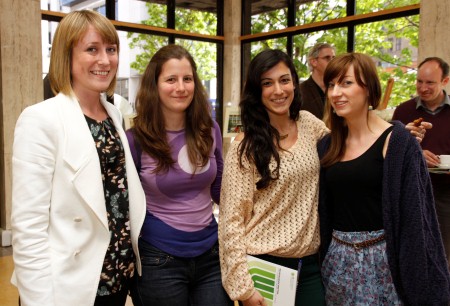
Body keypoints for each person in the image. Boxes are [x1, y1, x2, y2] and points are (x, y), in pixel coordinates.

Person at [11, 10, 146, 306]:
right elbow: (28, 226)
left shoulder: (113, 113)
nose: (105, 60)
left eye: (111, 49)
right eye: (92, 49)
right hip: (67, 286)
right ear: (66, 56)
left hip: (115, 278)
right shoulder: (40, 119)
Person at [317, 52, 450, 305]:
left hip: (384, 264)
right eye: (331, 85)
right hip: (337, 264)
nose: (336, 93)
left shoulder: (398, 142)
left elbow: (418, 220)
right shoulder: (327, 144)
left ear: (368, 88)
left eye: (346, 83)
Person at [219, 49, 329, 306]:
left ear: (294, 82)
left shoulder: (309, 124)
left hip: (310, 266)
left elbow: (346, 149)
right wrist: (243, 288)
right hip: (265, 268)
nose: (278, 90)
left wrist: (394, 139)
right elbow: (231, 221)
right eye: (267, 83)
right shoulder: (244, 146)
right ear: (257, 91)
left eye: (284, 80)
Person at [126, 44, 232, 306]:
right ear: (155, 84)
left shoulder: (210, 130)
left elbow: (220, 190)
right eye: (171, 79)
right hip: (159, 259)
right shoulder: (135, 140)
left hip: (211, 253)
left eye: (187, 79)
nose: (181, 87)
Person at [392, 56, 450, 269]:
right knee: (413, 253)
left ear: (445, 81)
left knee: (443, 256)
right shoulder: (403, 111)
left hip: (444, 196)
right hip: (412, 191)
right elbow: (391, 151)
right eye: (419, 82)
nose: (423, 88)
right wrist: (417, 151)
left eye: (430, 83)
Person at [299, 42, 336, 119]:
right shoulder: (300, 91)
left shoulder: (337, 89)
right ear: (314, 62)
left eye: (333, 58)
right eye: (327, 58)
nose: (332, 62)